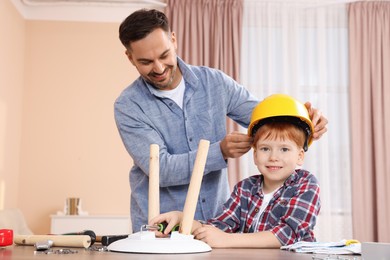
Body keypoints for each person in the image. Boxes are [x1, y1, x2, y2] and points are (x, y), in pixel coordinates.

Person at [114, 9, 327, 232]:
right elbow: (162, 169)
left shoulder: (214, 82)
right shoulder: (128, 106)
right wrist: (220, 152)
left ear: (173, 40)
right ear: (130, 58)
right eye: (146, 62)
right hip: (159, 229)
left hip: (217, 226)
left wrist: (303, 119)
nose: (158, 68)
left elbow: (266, 119)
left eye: (164, 55)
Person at [150, 94, 321, 248]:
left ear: (300, 156)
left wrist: (227, 240)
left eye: (284, 149)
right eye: (265, 149)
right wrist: (182, 219)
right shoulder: (245, 189)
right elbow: (218, 228)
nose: (273, 157)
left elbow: (289, 235)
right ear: (255, 155)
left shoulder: (306, 184)